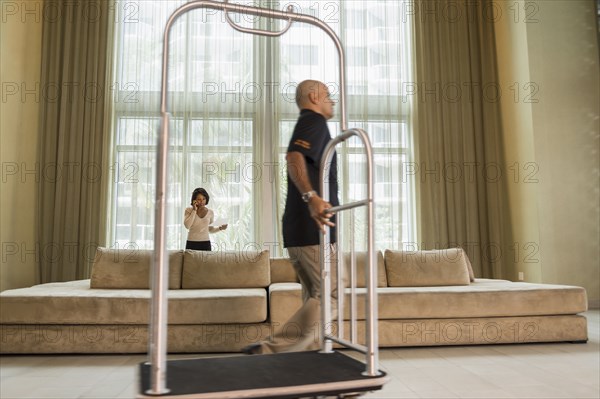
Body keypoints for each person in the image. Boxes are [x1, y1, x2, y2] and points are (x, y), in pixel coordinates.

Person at [243, 80, 341, 354]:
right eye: (328, 95)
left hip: (302, 230)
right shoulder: (315, 122)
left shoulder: (313, 124)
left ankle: (313, 361)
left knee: (316, 297)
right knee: (332, 294)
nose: (332, 101)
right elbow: (294, 157)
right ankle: (270, 349)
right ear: (314, 96)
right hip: (312, 229)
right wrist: (312, 198)